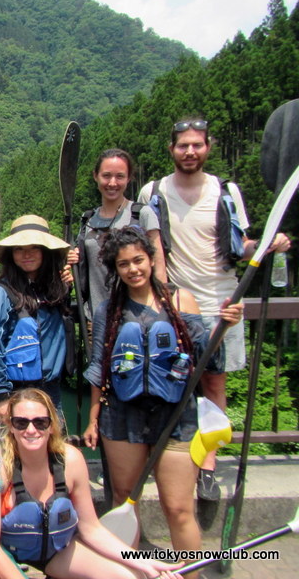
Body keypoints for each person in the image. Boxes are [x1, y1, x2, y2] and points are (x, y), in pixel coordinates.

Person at [137, 118, 290, 500]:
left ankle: (207, 466)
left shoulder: (226, 191)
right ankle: (173, 457)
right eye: (183, 145)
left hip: (224, 301)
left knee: (214, 384)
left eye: (197, 145)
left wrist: (271, 244)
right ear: (171, 149)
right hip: (175, 304)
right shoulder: (153, 192)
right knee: (171, 383)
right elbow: (148, 249)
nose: (190, 152)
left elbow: (242, 245)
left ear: (208, 147)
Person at [82, 228, 242, 573]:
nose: (132, 269)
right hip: (122, 417)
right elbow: (99, 368)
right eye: (123, 264)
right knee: (124, 499)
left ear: (151, 260)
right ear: (116, 269)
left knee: (178, 507)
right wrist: (93, 418)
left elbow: (207, 360)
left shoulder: (181, 301)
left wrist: (223, 330)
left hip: (175, 416)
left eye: (138, 260)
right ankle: (133, 571)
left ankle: (189, 571)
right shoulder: (109, 310)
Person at [0, 388, 183, 579]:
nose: (31, 430)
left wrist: (144, 562)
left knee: (127, 575)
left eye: (40, 422)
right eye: (21, 423)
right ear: (11, 426)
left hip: (55, 549)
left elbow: (91, 529)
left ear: (52, 425)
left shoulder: (70, 460)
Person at [0, 215, 73, 426]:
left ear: (45, 251)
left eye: (34, 247)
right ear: (12, 254)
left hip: (51, 390)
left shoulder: (55, 290)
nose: (27, 254)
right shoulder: (1, 292)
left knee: (54, 454)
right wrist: (1, 396)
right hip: (15, 392)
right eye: (19, 248)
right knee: (13, 454)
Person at [76, 149, 164, 318]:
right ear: (95, 176)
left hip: (140, 317)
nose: (112, 183)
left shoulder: (141, 214)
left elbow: (159, 266)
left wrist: (162, 310)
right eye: (106, 175)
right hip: (97, 317)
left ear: (129, 178)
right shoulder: (87, 219)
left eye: (120, 176)